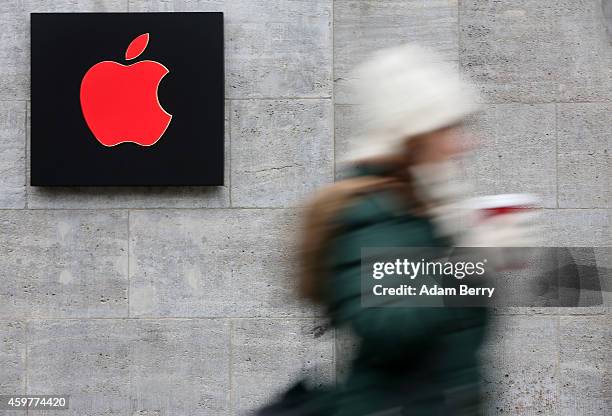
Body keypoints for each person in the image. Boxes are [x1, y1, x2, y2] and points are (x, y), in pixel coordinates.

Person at [260, 44, 493, 416]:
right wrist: (464, 260)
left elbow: (463, 323)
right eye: (449, 129)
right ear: (413, 137)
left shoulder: (423, 208)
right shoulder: (374, 213)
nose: (465, 143)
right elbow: (390, 324)